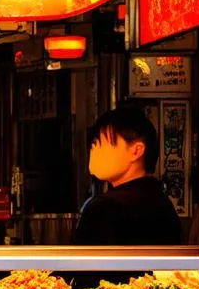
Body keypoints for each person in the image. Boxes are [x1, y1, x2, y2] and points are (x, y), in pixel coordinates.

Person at [74, 104, 182, 245]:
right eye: (93, 145)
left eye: (100, 144)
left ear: (136, 151)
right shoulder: (164, 205)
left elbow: (81, 265)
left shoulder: (104, 208)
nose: (93, 151)